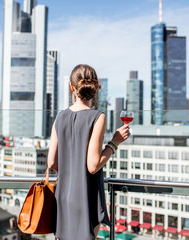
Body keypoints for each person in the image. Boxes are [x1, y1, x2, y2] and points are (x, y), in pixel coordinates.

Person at [47, 64, 131, 240]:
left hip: (62, 198)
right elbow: (93, 166)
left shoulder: (60, 116)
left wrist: (70, 172)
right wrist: (114, 142)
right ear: (96, 87)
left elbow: (52, 163)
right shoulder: (98, 117)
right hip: (85, 198)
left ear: (72, 87)